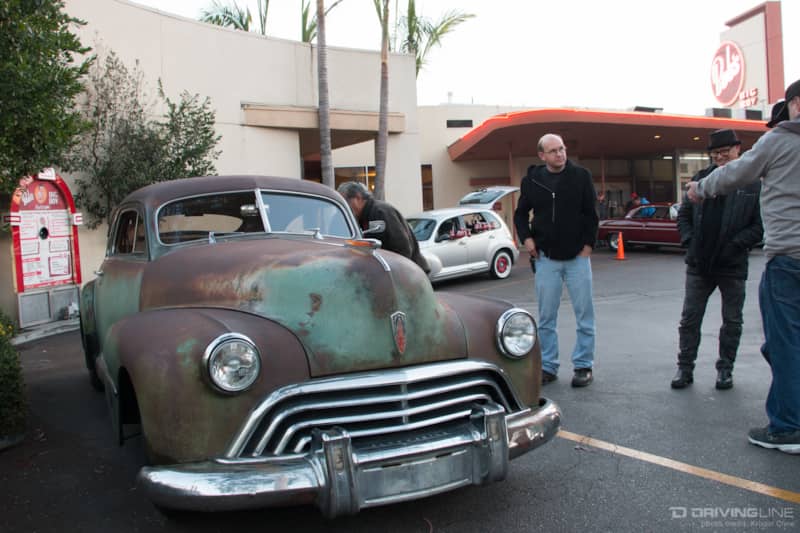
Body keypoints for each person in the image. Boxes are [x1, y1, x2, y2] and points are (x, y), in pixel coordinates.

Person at [687, 79, 800, 454]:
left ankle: (787, 428)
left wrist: (699, 188)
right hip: (712, 263)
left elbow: (738, 173)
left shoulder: (780, 140)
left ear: (796, 104)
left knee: (784, 344)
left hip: (788, 259)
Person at [671, 129, 762, 391]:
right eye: (714, 153)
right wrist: (690, 242)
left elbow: (759, 226)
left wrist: (735, 245)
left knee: (732, 321)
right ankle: (685, 368)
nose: (720, 157)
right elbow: (684, 215)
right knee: (690, 319)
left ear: (737, 149)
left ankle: (725, 370)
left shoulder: (752, 183)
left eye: (724, 152)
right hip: (699, 264)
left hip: (732, 265)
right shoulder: (700, 179)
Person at [513, 133, 599, 387]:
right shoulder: (532, 181)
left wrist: (587, 247)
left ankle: (583, 366)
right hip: (546, 259)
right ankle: (548, 366)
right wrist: (527, 240)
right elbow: (520, 214)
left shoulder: (581, 176)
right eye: (553, 151)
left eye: (561, 148)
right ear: (542, 155)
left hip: (577, 258)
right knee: (546, 318)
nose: (560, 154)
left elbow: (591, 215)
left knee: (585, 316)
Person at [337, 181, 430, 273]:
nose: (345, 206)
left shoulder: (381, 212)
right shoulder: (360, 218)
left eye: (345, 201)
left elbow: (402, 247)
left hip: (410, 272)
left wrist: (394, 274)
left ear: (358, 198)